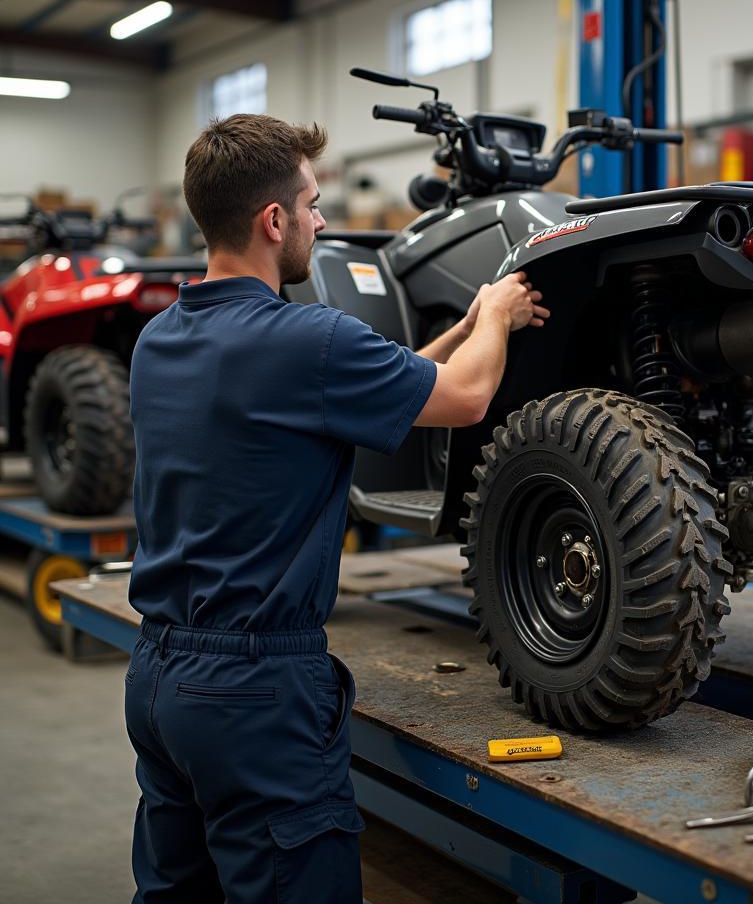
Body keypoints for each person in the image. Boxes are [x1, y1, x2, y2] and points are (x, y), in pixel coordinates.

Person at [123, 113, 549, 903]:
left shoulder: (161, 339)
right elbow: (467, 399)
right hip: (256, 691)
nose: (322, 221)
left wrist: (456, 332)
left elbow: (347, 397)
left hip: (158, 679)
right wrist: (494, 317)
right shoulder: (309, 340)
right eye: (313, 204)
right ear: (273, 220)